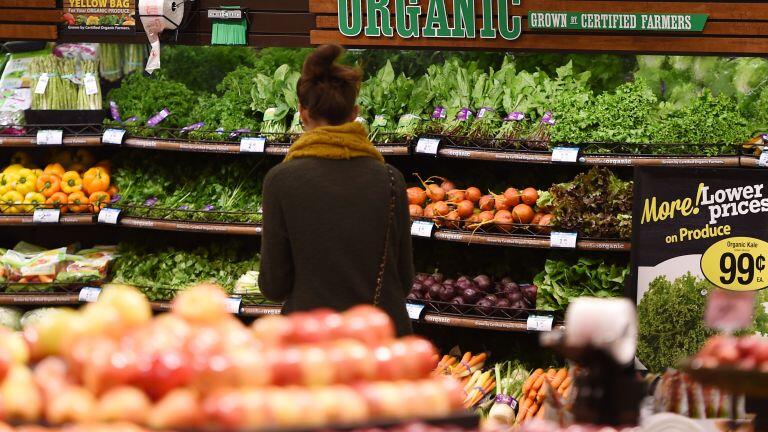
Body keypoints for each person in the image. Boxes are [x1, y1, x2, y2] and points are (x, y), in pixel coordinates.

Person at [258, 44, 414, 336]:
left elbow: (274, 286)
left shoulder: (281, 180)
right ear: (354, 114)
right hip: (381, 341)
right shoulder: (390, 179)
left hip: (313, 343)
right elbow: (404, 282)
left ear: (302, 113)